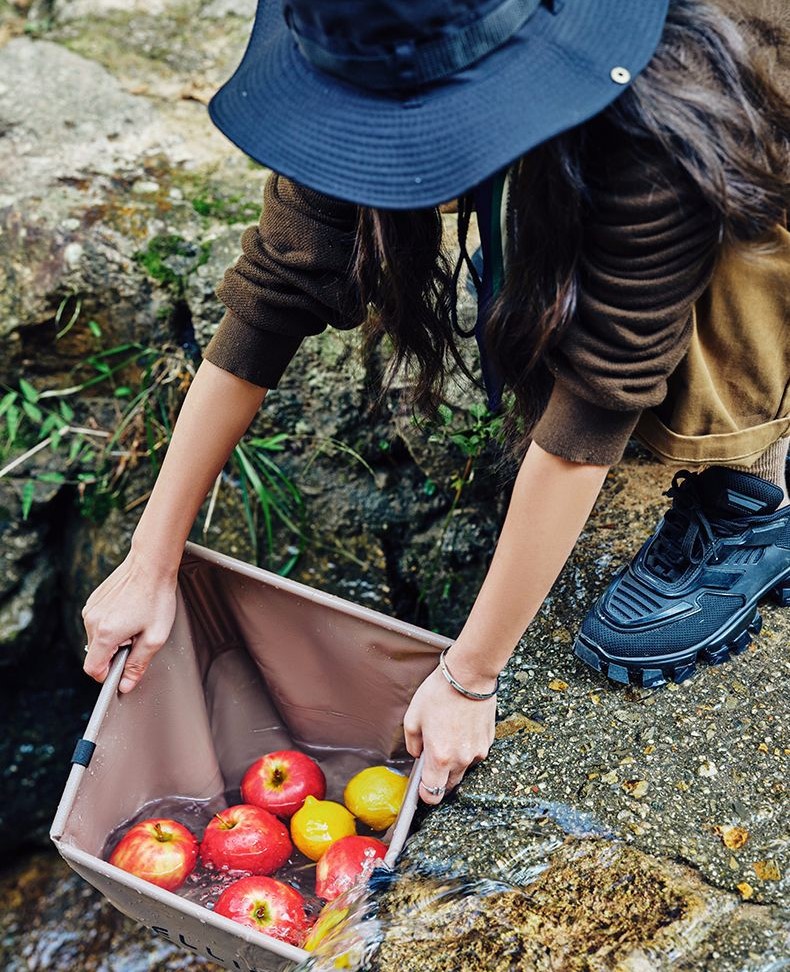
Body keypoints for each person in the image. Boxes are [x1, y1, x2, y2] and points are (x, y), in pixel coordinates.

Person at [82, 0, 790, 805]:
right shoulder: (369, 21)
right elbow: (281, 281)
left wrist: (471, 676)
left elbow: (601, 391)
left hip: (735, 93)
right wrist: (151, 560)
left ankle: (753, 496)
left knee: (740, 218)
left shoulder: (669, 93)